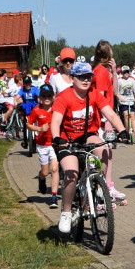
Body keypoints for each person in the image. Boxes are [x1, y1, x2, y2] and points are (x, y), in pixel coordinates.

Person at [51, 62, 127, 234]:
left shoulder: (94, 94)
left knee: (105, 150)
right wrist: (57, 138)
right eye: (81, 77)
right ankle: (66, 212)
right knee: (71, 173)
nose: (85, 80)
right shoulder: (64, 97)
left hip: (87, 136)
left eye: (88, 77)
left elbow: (111, 114)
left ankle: (100, 188)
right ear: (72, 78)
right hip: (66, 140)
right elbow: (55, 121)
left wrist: (122, 130)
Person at [92, 40, 125, 202]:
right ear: (107, 54)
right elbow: (100, 96)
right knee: (103, 153)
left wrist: (113, 71)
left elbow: (114, 91)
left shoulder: (104, 71)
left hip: (106, 115)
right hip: (102, 118)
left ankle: (107, 185)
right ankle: (101, 188)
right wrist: (106, 120)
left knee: (108, 152)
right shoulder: (100, 72)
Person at [27, 84, 59, 208]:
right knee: (46, 172)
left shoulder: (57, 109)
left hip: (54, 144)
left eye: (49, 96)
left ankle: (54, 196)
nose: (47, 98)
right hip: (42, 145)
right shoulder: (36, 110)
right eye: (44, 96)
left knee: (55, 169)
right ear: (40, 97)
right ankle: (41, 178)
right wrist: (39, 128)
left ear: (53, 96)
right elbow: (29, 125)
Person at [115, 66, 135, 142]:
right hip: (123, 102)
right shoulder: (119, 80)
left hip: (131, 101)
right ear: (122, 73)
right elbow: (116, 91)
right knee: (126, 115)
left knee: (133, 116)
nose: (126, 73)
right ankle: (128, 132)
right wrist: (120, 98)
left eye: (127, 72)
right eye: (124, 72)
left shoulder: (132, 80)